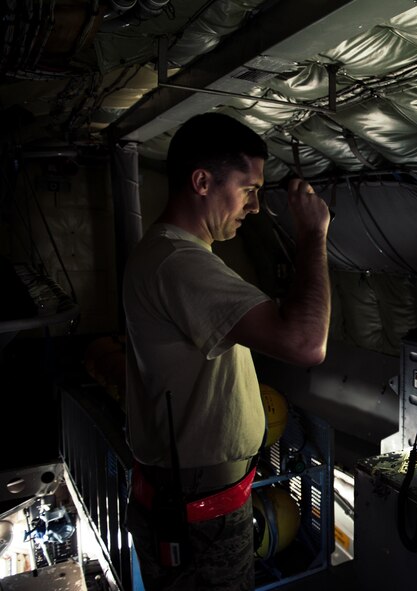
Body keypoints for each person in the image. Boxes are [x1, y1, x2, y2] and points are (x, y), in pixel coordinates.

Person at [122, 112, 331, 590]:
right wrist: (312, 235)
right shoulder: (179, 262)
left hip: (199, 500)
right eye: (249, 188)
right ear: (201, 181)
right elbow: (306, 343)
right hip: (200, 515)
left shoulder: (175, 255)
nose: (255, 206)